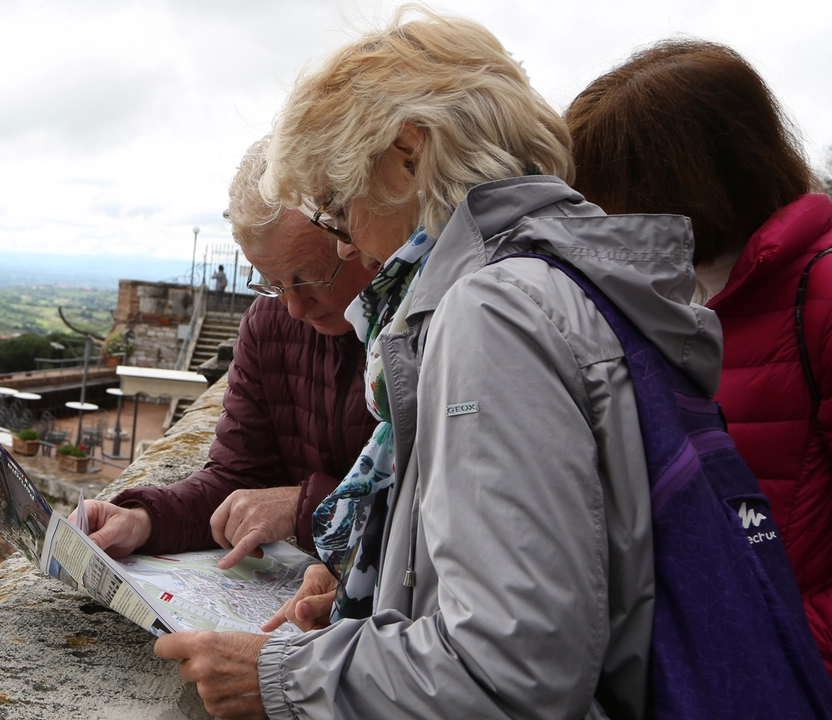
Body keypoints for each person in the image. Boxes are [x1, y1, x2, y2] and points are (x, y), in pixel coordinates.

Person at [154, 8, 722, 719]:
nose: (347, 243)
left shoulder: (495, 313)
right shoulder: (579, 270)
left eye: (338, 203)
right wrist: (393, 585)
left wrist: (282, 674)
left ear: (409, 152)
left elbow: (514, 668)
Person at [565, 39, 832, 675]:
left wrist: (780, 653)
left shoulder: (819, 295)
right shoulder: (676, 304)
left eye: (610, 198)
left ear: (682, 184)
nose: (597, 223)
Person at [76, 138, 378, 569]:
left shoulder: (420, 327)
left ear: (356, 238)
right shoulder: (268, 323)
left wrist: (302, 505)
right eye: (272, 283)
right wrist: (144, 518)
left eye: (308, 278)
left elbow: (432, 510)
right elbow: (238, 479)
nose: (293, 307)